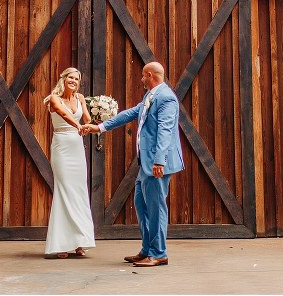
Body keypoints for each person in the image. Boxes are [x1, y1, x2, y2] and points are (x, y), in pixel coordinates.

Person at [82, 61, 184, 267]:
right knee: (141, 204)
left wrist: (159, 161)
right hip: (145, 164)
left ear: (149, 75)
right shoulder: (150, 96)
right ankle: (147, 249)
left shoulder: (166, 98)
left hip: (157, 163)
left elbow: (165, 130)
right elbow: (130, 113)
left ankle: (159, 253)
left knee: (156, 208)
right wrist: (99, 127)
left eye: (142, 76)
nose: (141, 79)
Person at [43, 67, 95, 259]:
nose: (74, 81)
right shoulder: (54, 98)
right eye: (70, 78)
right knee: (64, 191)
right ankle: (62, 243)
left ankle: (81, 241)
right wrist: (78, 125)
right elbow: (63, 114)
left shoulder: (80, 98)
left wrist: (97, 119)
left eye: (77, 78)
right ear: (63, 79)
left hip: (77, 148)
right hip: (62, 147)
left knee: (79, 191)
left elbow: (88, 119)